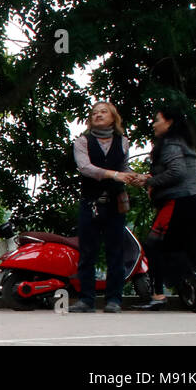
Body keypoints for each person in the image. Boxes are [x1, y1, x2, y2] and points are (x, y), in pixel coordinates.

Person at [133, 104, 196, 312]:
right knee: (195, 248)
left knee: (153, 246)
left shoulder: (171, 143)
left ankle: (158, 296)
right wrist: (152, 180)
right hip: (193, 201)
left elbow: (177, 172)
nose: (154, 124)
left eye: (157, 119)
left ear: (169, 122)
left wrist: (149, 181)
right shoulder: (182, 142)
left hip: (178, 203)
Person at [68, 102, 136, 313]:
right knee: (87, 251)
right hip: (90, 202)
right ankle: (86, 299)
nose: (98, 115)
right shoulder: (82, 141)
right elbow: (85, 168)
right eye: (94, 113)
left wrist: (135, 176)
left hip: (115, 203)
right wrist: (114, 174)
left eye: (103, 112)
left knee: (115, 251)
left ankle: (114, 299)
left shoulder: (123, 141)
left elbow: (124, 167)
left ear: (113, 117)